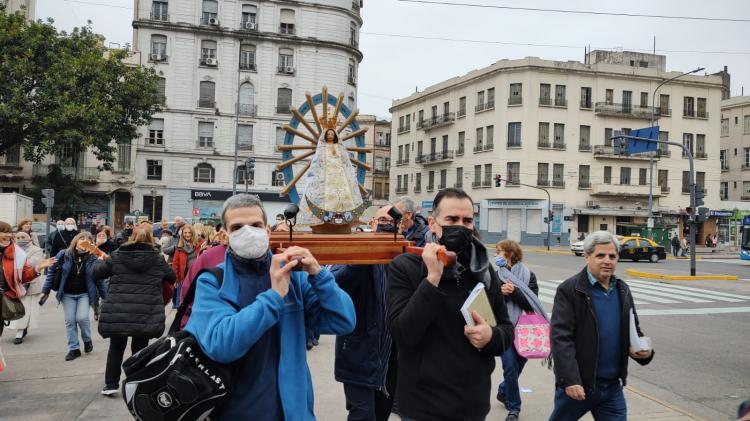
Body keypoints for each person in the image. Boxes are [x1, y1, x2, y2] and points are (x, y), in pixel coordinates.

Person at [184, 193, 356, 419]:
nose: (248, 232)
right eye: (237, 227)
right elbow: (221, 345)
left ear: (267, 231)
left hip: (294, 411)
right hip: (237, 412)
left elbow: (343, 321)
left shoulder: (294, 277)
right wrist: (274, 296)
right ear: (225, 236)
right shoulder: (213, 282)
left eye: (255, 225)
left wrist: (318, 274)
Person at [387, 188, 514, 420]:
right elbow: (402, 333)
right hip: (423, 407)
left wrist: (491, 337)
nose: (461, 226)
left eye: (467, 221)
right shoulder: (405, 267)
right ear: (433, 223)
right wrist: (432, 279)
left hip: (472, 405)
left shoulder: (483, 270)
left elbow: (506, 329)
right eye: (452, 219)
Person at [549, 230, 654, 420]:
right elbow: (561, 338)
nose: (607, 260)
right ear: (586, 257)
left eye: (612, 256)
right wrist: (570, 380)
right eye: (600, 255)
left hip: (612, 387)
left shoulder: (623, 290)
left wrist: (644, 352)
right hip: (580, 385)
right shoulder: (570, 290)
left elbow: (634, 330)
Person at [331, 204, 397, 421]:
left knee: (381, 415)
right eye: (382, 221)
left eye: (391, 221)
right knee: (363, 416)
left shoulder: (403, 252)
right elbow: (338, 284)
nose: (386, 225)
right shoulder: (356, 248)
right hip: (358, 354)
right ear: (372, 224)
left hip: (391, 359)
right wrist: (363, 253)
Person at [93, 223, 176, 395]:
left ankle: (111, 384)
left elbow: (97, 273)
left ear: (131, 238)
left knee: (116, 347)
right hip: (146, 310)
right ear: (151, 239)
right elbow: (172, 277)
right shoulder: (157, 259)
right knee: (140, 348)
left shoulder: (117, 255)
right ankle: (137, 382)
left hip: (118, 309)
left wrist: (99, 259)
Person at [494, 240, 543, 421]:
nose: (496, 256)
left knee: (517, 368)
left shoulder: (529, 275)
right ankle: (514, 408)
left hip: (526, 329)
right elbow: (489, 301)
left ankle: (503, 390)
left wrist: (514, 292)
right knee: (510, 367)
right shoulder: (495, 275)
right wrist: (500, 292)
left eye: (499, 252)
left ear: (511, 254)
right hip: (504, 327)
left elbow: (532, 304)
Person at [42, 232, 108, 361]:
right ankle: (74, 348)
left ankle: (87, 340)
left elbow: (99, 279)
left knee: (82, 318)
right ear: (76, 241)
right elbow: (52, 272)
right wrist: (45, 290)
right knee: (70, 321)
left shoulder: (93, 257)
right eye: (82, 238)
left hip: (84, 294)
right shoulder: (64, 254)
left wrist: (106, 297)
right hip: (67, 294)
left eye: (88, 239)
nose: (85, 241)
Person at [0, 222, 55, 337]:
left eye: (10, 232)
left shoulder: (16, 254)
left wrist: (37, 268)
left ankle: (21, 330)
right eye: (4, 232)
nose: (9, 235)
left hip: (5, 298)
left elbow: (24, 275)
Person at [177, 228, 228, 330]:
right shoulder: (208, 257)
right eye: (237, 227)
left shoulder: (268, 261)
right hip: (209, 331)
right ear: (223, 235)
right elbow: (188, 298)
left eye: (256, 226)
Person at [9, 231, 47, 344]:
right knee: (14, 308)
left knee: (25, 309)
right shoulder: (10, 249)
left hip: (29, 284)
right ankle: (21, 328)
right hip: (13, 284)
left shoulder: (36, 250)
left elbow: (30, 264)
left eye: (23, 237)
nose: (21, 239)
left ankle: (19, 332)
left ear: (29, 238)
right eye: (18, 237)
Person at [172, 223, 198, 308]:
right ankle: (180, 319)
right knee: (181, 302)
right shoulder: (179, 248)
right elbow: (175, 265)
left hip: (195, 277)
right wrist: (175, 279)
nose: (187, 234)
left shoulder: (197, 246)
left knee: (194, 300)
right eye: (185, 233)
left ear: (192, 233)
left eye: (189, 232)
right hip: (183, 277)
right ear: (182, 234)